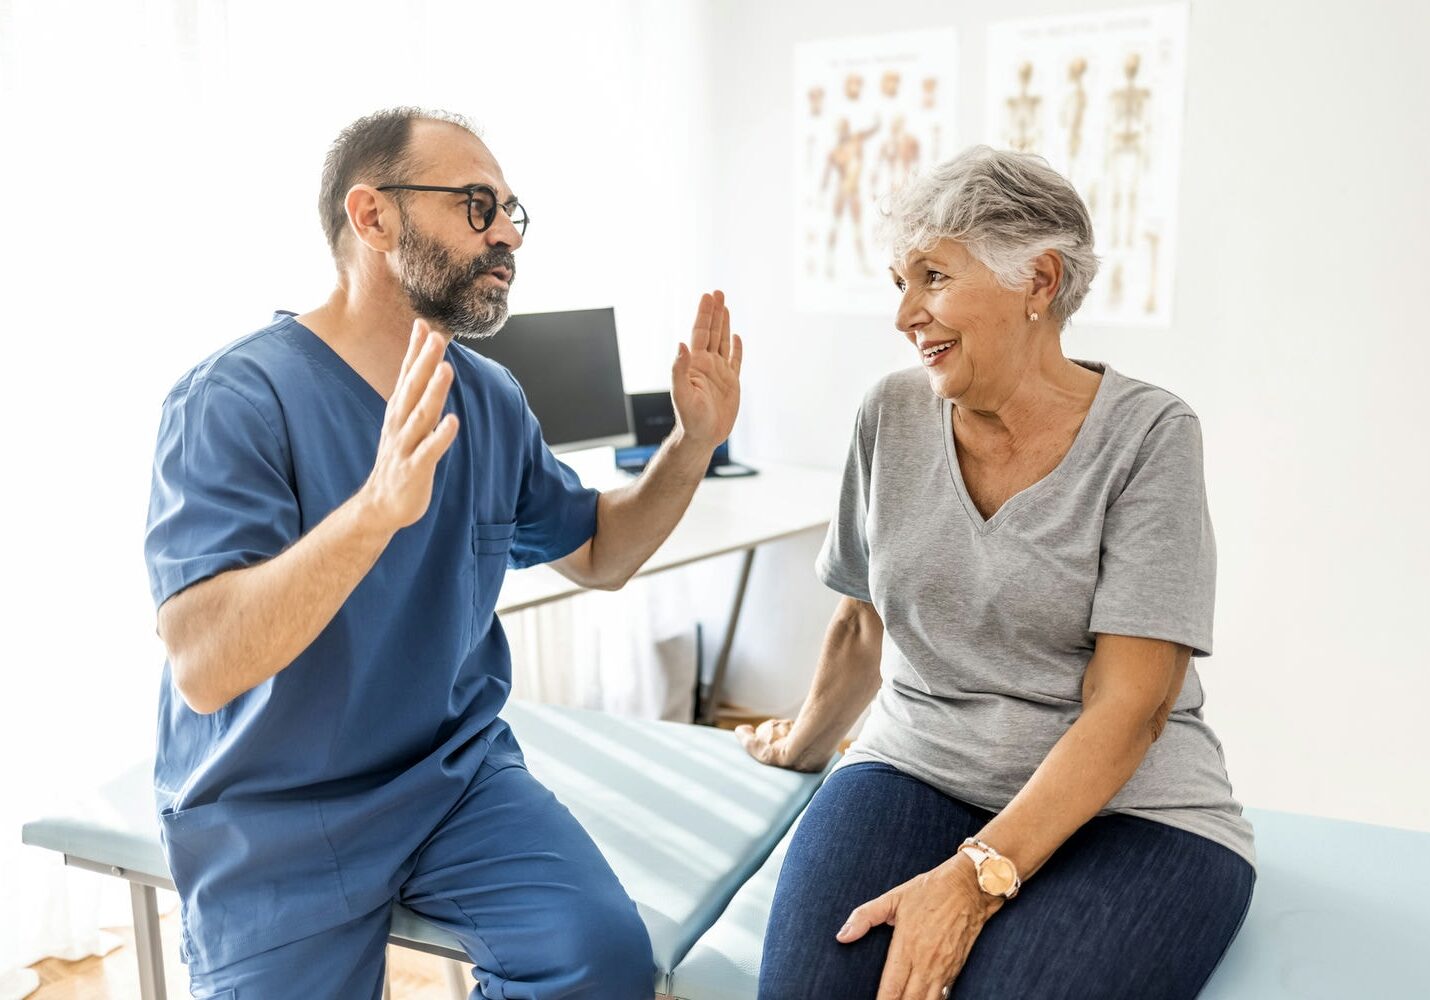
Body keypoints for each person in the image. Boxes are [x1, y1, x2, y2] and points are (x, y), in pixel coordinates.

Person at [144, 107, 741, 999]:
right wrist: (375, 512)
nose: (506, 234)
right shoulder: (234, 399)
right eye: (474, 204)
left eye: (510, 211)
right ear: (372, 217)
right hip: (274, 813)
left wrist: (691, 445)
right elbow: (203, 665)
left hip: (450, 782)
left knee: (599, 959)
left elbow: (601, 553)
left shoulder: (490, 398)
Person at [738, 145, 1252, 1000]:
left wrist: (974, 879)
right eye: (898, 281)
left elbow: (1134, 707)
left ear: (1039, 282)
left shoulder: (1151, 436)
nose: (905, 313)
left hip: (1134, 811)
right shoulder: (890, 413)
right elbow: (865, 618)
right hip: (918, 765)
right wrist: (802, 741)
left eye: (932, 276)